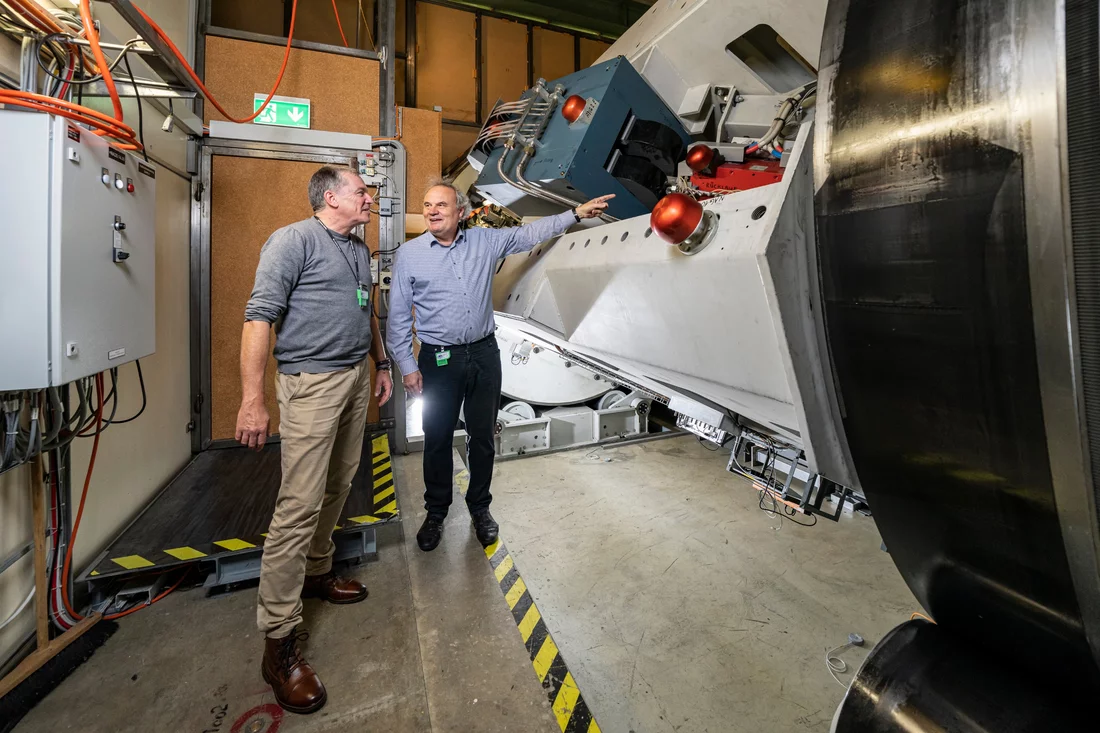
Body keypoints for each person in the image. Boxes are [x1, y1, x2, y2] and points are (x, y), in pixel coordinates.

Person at [236, 165, 393, 714]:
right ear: (331, 197)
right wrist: (252, 399)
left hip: (353, 378)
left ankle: (318, 571)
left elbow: (367, 311)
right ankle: (278, 643)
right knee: (298, 505)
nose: (369, 198)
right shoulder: (292, 241)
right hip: (310, 384)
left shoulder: (358, 248)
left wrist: (380, 362)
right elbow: (258, 318)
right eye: (361, 192)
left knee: (339, 484)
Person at [387, 178, 613, 552]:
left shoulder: (484, 241)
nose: (432, 211)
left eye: (441, 205)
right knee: (437, 438)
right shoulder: (411, 254)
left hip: (483, 355)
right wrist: (408, 366)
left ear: (460, 212)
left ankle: (480, 508)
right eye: (427, 205)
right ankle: (436, 512)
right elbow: (397, 317)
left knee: (482, 436)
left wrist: (574, 213)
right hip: (439, 360)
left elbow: (529, 235)